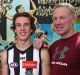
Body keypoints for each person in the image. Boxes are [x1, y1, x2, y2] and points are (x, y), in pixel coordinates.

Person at [34, 3, 80, 75]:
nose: (57, 22)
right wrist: (42, 44)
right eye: (55, 18)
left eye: (62, 18)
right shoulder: (55, 45)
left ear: (73, 19)